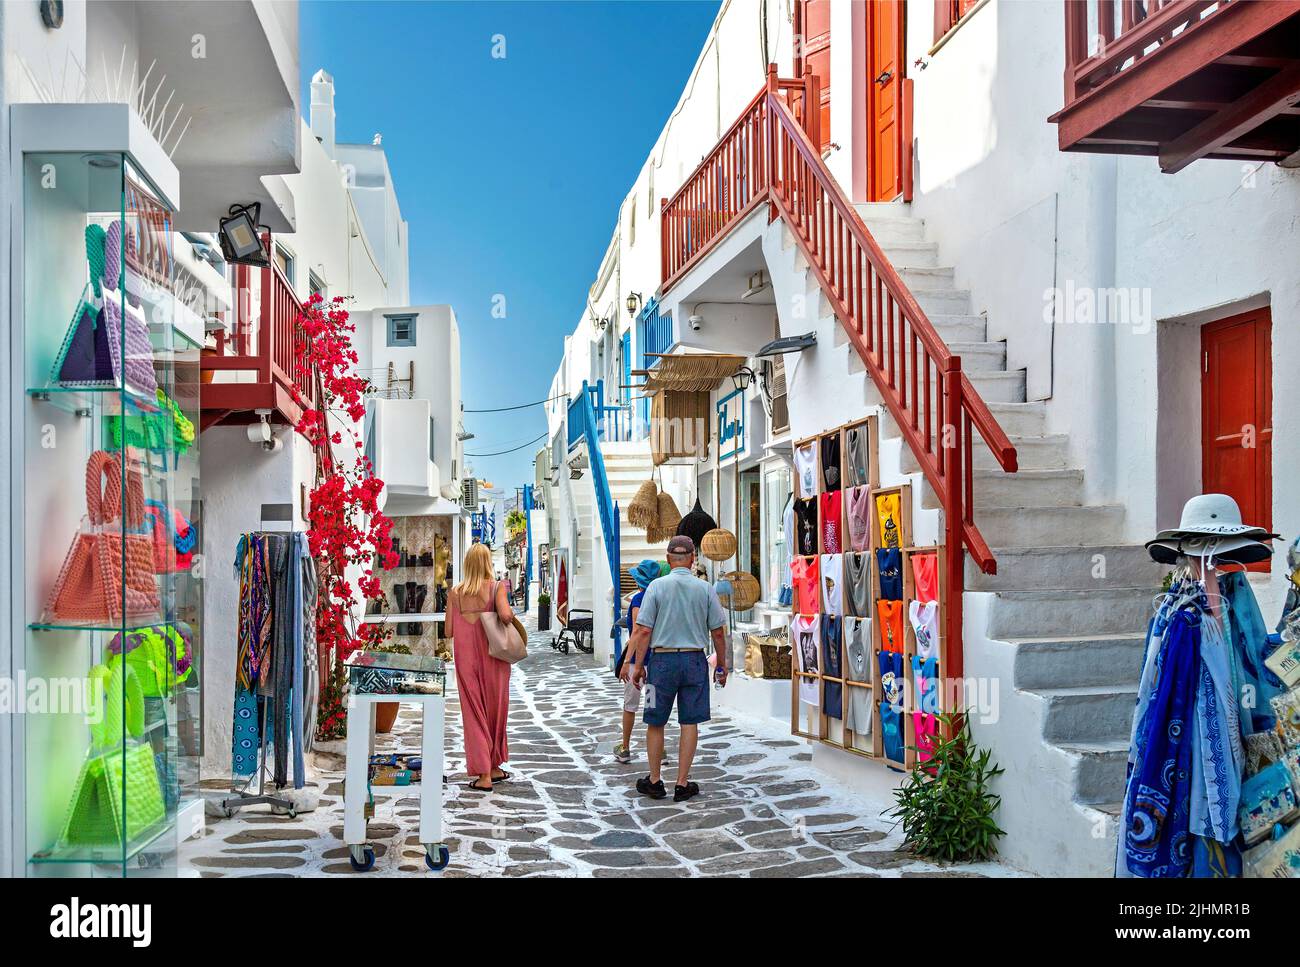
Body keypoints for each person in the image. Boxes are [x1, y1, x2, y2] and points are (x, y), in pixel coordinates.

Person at [620, 535, 728, 802]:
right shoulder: (704, 589)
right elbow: (717, 632)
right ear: (693, 559)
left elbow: (643, 630)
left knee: (655, 720)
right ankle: (682, 782)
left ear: (669, 559)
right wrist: (722, 665)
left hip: (661, 664)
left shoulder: (656, 587)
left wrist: (638, 666)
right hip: (694, 662)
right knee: (689, 721)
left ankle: (655, 780)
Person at [446, 543, 513, 792]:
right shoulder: (496, 588)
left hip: (466, 659)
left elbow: (449, 630)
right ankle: (489, 771)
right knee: (495, 710)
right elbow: (506, 616)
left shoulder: (455, 593)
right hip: (493, 659)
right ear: (487, 563)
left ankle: (489, 770)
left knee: (474, 713)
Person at [613, 559, 667, 764]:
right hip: (656, 660)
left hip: (637, 662)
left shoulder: (638, 600)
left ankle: (625, 747)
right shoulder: (661, 598)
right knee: (652, 704)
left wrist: (627, 661)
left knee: (630, 704)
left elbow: (637, 631)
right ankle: (659, 750)